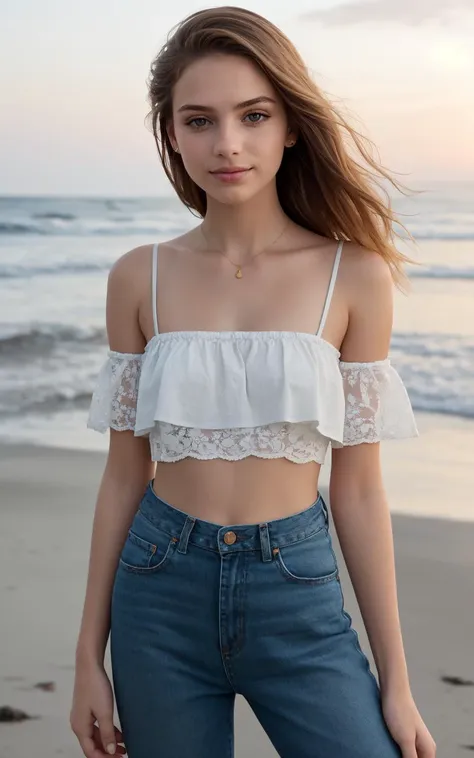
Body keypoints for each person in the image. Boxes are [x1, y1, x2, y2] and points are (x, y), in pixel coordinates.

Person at [70, 6, 436, 758]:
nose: (227, 144)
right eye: (199, 120)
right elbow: (122, 476)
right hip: (158, 589)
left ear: (291, 126)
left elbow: (359, 488)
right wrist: (87, 658)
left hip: (294, 587)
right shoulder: (141, 276)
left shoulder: (354, 275)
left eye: (254, 115)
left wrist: (396, 682)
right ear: (170, 133)